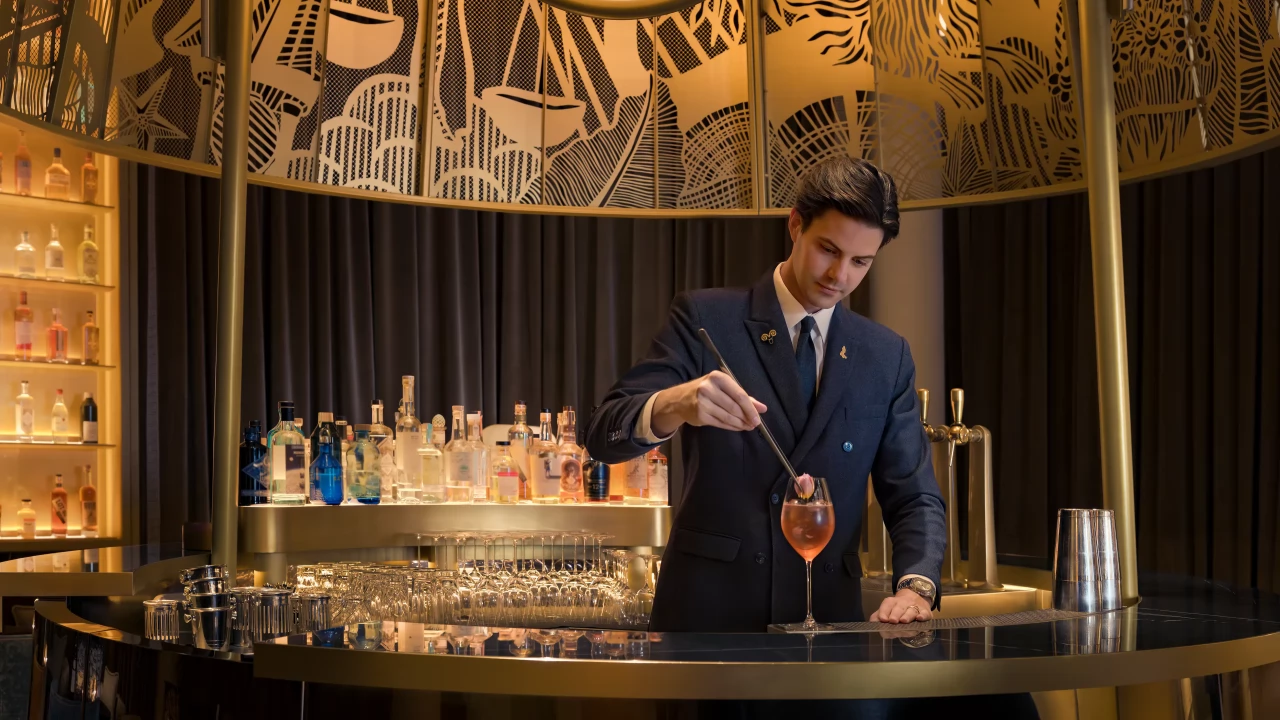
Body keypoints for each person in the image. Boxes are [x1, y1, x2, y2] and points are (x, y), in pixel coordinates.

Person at [584, 155, 946, 632]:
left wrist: (915, 585)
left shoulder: (885, 355)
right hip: (709, 620)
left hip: (829, 624)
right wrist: (677, 404)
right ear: (795, 225)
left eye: (861, 261)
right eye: (828, 250)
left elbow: (914, 496)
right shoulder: (706, 318)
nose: (840, 275)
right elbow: (601, 435)